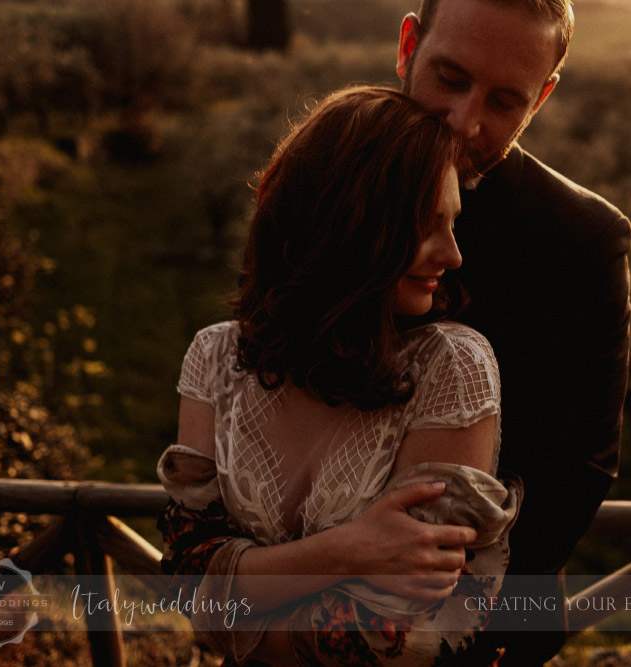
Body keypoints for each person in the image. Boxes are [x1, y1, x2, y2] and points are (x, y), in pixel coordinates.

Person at [157, 86, 521, 665]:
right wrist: (352, 550)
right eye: (428, 225)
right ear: (347, 224)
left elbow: (407, 637)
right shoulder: (214, 361)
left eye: (452, 224)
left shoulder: (452, 368)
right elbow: (184, 584)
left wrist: (241, 597)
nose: (452, 255)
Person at [396, 0, 631, 662]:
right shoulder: (315, 188)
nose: (465, 121)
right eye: (450, 78)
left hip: (491, 636)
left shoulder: (582, 240)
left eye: (504, 101)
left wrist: (431, 599)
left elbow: (580, 466)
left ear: (543, 98)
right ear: (407, 45)